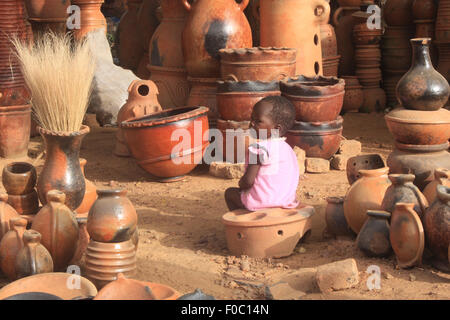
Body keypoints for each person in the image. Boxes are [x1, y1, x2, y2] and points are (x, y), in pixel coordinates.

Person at [224, 95, 300, 211]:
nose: (252, 124)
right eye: (252, 119)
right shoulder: (288, 149)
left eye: (258, 121)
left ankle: (245, 222)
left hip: (262, 203)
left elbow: (248, 181)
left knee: (230, 193)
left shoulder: (259, 149)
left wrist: (241, 184)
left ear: (276, 129)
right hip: (285, 201)